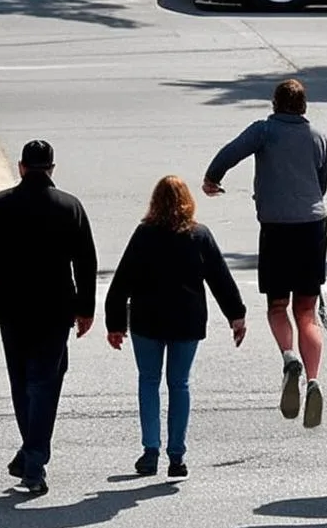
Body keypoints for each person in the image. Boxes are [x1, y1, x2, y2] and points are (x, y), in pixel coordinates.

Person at [0, 139, 97, 496]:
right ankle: (34, 459)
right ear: (52, 169)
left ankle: (30, 452)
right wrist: (85, 308)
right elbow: (85, 262)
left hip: (11, 305)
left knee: (22, 380)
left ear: (21, 167)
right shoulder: (69, 206)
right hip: (56, 306)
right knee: (45, 380)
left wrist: (9, 273)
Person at [203, 78, 327, 428]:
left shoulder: (265, 130)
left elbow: (229, 153)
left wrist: (212, 178)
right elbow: (322, 183)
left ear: (275, 104)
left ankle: (289, 358)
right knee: (307, 310)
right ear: (304, 106)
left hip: (277, 227)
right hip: (313, 225)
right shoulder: (318, 136)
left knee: (278, 305)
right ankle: (314, 380)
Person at [105, 176, 247, 480]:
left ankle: (150, 451)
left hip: (147, 320)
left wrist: (115, 323)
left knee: (148, 381)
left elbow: (122, 281)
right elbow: (220, 279)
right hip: (187, 321)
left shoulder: (144, 235)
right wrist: (236, 315)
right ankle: (177, 455)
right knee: (179, 384)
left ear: (155, 202)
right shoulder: (199, 235)